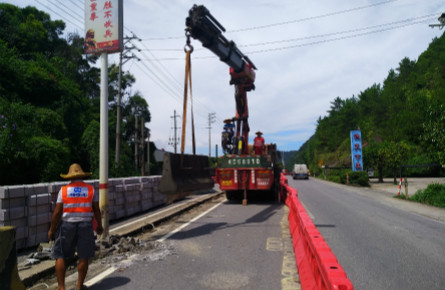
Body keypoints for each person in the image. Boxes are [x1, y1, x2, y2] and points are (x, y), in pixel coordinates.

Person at [48, 163, 103, 290]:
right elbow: (96, 210)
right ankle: (79, 286)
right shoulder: (90, 189)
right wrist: (99, 225)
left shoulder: (64, 190)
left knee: (60, 255)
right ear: (82, 176)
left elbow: (57, 212)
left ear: (70, 177)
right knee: (84, 256)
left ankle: (61, 287)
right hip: (85, 225)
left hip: (67, 225)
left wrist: (52, 229)